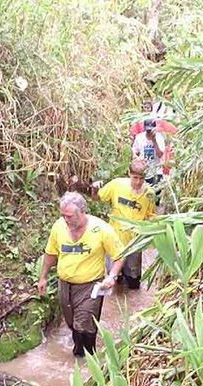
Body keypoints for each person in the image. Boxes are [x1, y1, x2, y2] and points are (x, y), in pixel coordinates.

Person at [37, 192, 125, 357]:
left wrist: (112, 276)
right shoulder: (58, 227)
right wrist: (43, 277)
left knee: (84, 325)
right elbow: (50, 253)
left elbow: (119, 256)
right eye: (63, 216)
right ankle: (82, 355)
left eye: (69, 216)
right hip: (65, 285)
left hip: (90, 286)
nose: (66, 220)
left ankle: (86, 358)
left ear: (82, 212)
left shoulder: (102, 230)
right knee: (72, 324)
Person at [92, 159, 156, 289]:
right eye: (135, 178)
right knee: (114, 280)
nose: (138, 182)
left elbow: (150, 215)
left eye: (141, 178)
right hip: (115, 240)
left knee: (133, 282)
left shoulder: (149, 194)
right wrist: (93, 189)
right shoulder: (116, 185)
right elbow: (98, 198)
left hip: (135, 242)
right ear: (129, 174)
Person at [132, 119, 166, 190]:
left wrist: (154, 141)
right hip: (144, 172)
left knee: (155, 194)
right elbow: (134, 152)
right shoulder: (139, 137)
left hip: (156, 171)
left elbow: (160, 155)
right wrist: (138, 160)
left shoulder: (159, 138)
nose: (149, 132)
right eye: (147, 130)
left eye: (151, 130)